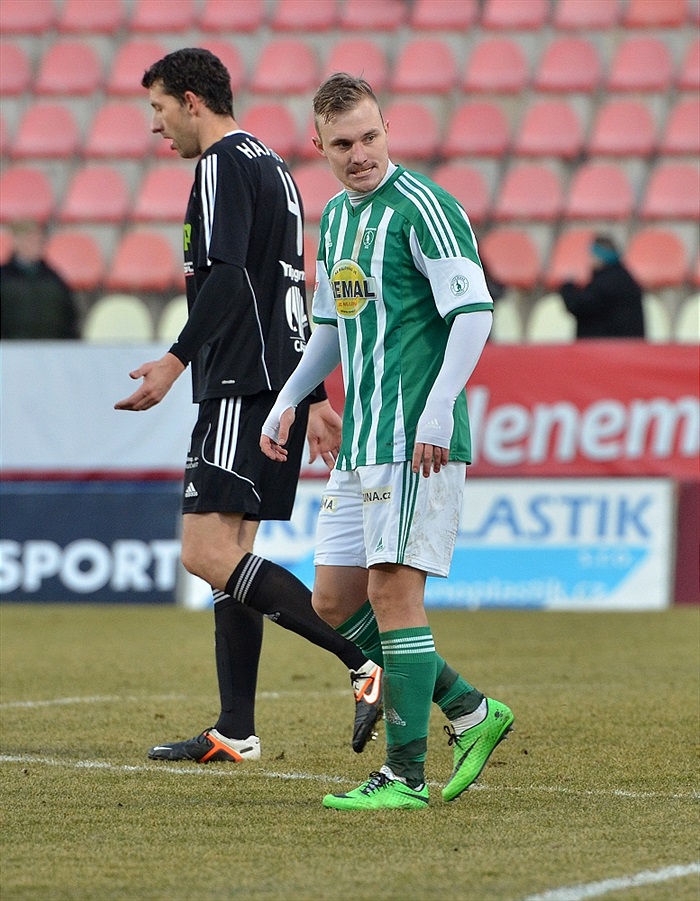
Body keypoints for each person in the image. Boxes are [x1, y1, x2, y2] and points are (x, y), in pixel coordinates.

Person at [115, 49, 382, 764]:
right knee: (232, 557)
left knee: (204, 552)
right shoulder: (272, 164)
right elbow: (289, 289)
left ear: (194, 100)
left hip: (237, 382)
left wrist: (175, 361)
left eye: (160, 108)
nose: (156, 126)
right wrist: (314, 395)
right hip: (273, 385)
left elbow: (230, 281)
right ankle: (236, 727)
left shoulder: (221, 164)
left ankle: (362, 661)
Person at [261, 73, 514, 810]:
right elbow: (333, 327)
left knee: (394, 595)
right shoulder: (337, 218)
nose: (359, 153)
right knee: (336, 601)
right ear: (319, 146)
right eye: (342, 143)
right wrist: (287, 401)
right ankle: (470, 709)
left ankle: (404, 775)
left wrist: (439, 409)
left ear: (387, 130)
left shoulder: (427, 208)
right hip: (362, 436)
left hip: (416, 436)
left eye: (369, 137)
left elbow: (473, 313)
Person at [0, 220, 79, 340]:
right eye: (29, 240)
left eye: (39, 240)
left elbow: (70, 315)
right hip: (11, 349)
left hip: (52, 348)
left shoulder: (53, 278)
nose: (36, 245)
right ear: (16, 242)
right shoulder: (4, 277)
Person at [559, 235, 645, 339]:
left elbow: (577, 306)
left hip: (606, 350)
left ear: (598, 256)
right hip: (625, 348)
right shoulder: (623, 277)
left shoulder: (606, 282)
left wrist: (568, 286)